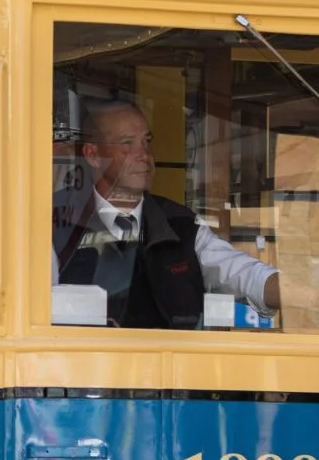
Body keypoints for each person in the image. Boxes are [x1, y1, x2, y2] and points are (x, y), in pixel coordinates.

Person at [53, 98, 279, 327]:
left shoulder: (180, 223)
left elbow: (239, 272)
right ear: (92, 155)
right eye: (127, 143)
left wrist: (288, 289)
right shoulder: (54, 221)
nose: (143, 154)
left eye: (146, 141)